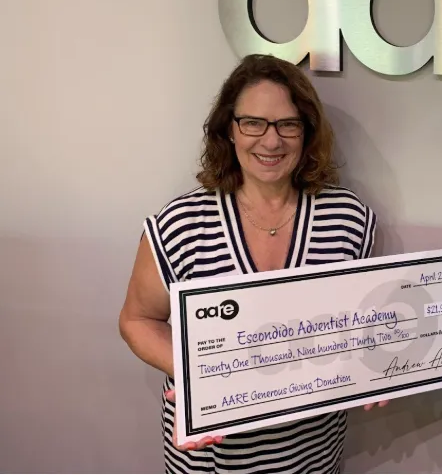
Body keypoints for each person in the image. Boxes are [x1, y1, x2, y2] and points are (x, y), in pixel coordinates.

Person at [118, 53, 381, 473]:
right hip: (211, 460)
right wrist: (198, 374)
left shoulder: (349, 219)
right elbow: (136, 321)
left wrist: (415, 334)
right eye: (253, 123)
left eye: (288, 124)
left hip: (312, 456)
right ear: (229, 129)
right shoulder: (180, 224)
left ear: (307, 132)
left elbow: (357, 321)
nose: (271, 141)